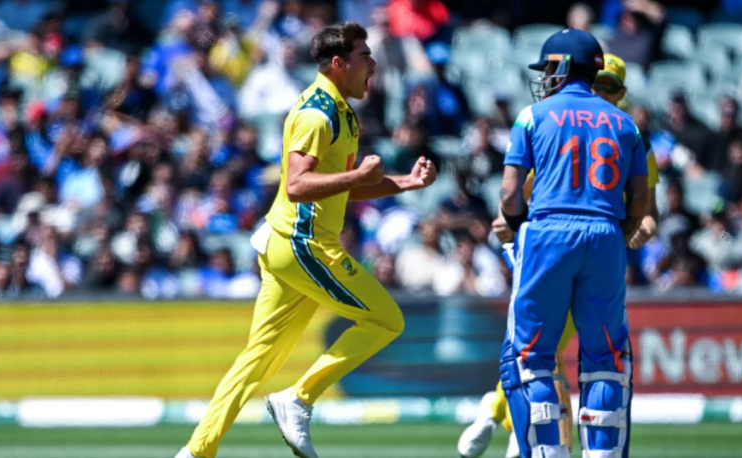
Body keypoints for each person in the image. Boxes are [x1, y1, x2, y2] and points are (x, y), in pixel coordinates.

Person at [173, 22, 437, 458]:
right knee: (386, 320)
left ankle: (196, 451)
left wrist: (404, 182)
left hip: (287, 244)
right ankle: (299, 398)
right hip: (304, 244)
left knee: (256, 359)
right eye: (364, 56)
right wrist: (358, 175)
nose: (373, 64)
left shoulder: (341, 110)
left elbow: (340, 188)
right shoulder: (318, 114)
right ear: (338, 64)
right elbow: (297, 185)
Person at [458, 52, 660, 458]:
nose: (601, 92)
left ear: (622, 91)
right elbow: (519, 197)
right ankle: (511, 421)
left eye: (609, 87)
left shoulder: (554, 119)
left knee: (536, 354)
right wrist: (622, 232)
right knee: (586, 357)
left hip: (564, 249)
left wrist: (637, 230)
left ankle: (518, 427)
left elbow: (648, 213)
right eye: (597, 83)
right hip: (596, 248)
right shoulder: (622, 129)